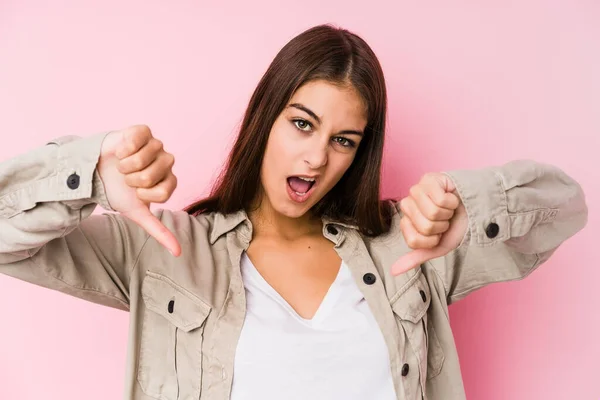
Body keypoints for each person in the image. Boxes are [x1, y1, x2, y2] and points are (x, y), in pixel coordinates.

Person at [0, 24, 588, 400]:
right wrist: (92, 177)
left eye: (344, 139)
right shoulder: (165, 250)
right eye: (302, 123)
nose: (315, 156)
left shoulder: (408, 248)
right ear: (267, 118)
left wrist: (471, 203)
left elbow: (566, 208)